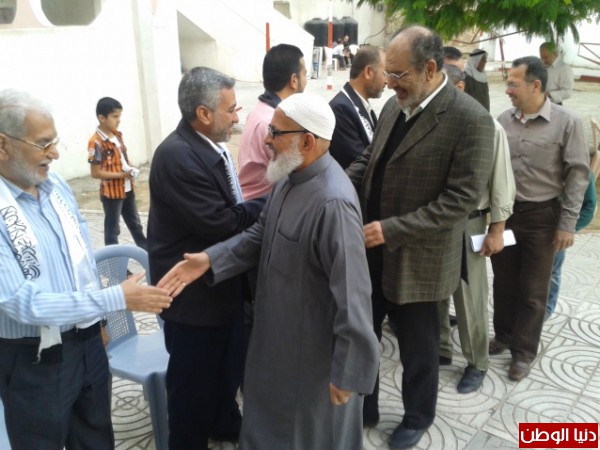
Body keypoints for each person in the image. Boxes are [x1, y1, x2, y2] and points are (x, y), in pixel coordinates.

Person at [158, 93, 379, 450]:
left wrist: (348, 371)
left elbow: (354, 296)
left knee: (308, 435)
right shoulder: (289, 177)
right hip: (275, 342)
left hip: (312, 358)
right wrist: (211, 259)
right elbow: (260, 233)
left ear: (307, 141)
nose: (265, 139)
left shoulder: (333, 203)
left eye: (275, 132)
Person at [345, 26, 494, 449]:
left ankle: (417, 416)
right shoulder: (394, 107)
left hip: (421, 260)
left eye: (398, 74)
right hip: (371, 251)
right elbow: (370, 159)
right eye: (387, 74)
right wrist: (335, 186)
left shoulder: (471, 120)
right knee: (365, 335)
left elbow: (459, 200)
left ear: (429, 69)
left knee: (419, 348)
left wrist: (391, 229)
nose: (389, 83)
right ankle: (365, 406)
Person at [0, 88, 172, 449]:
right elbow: (22, 302)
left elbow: (80, 261)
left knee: (96, 435)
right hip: (34, 360)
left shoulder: (55, 186)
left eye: (54, 141)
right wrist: (115, 298)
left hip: (87, 342)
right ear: (3, 145)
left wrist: (100, 322)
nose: (55, 153)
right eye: (43, 143)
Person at [147, 67, 266, 450]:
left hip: (220, 285)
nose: (237, 117)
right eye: (230, 110)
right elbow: (220, 222)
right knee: (192, 391)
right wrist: (270, 204)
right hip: (192, 300)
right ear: (203, 113)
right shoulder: (177, 157)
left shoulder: (208, 146)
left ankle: (223, 422)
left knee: (225, 370)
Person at [491, 56, 589, 381]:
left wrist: (567, 224)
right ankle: (503, 335)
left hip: (543, 217)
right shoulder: (502, 121)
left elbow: (578, 175)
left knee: (533, 291)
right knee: (503, 283)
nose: (507, 90)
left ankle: (523, 352)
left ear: (535, 85)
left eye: (513, 84)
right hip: (505, 216)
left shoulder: (567, 123)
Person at [438, 64, 516, 393]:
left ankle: (477, 361)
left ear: (459, 87)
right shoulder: (435, 121)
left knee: (470, 295)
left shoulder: (486, 125)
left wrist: (497, 229)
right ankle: (441, 347)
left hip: (469, 221)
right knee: (435, 292)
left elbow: (502, 183)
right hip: (435, 221)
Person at [238, 43, 306, 200]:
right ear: (294, 80)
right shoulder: (273, 123)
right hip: (262, 206)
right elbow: (295, 175)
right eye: (304, 74)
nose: (305, 80)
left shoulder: (259, 111)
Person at [88, 97, 147, 250]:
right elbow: (95, 173)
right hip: (112, 193)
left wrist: (129, 169)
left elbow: (121, 160)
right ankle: (114, 262)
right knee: (113, 230)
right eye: (114, 116)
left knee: (136, 225)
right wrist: (121, 175)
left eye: (119, 116)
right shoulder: (96, 142)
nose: (118, 120)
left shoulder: (117, 135)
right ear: (102, 118)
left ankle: (148, 254)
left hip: (127, 188)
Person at [545, 171, 597, 321]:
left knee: (552, 272)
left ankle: (547, 309)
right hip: (530, 230)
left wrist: (569, 230)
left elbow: (589, 206)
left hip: (557, 234)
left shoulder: (580, 169)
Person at [329, 45, 386, 169]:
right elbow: (357, 163)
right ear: (368, 72)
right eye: (384, 73)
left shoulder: (361, 104)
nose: (387, 81)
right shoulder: (341, 109)